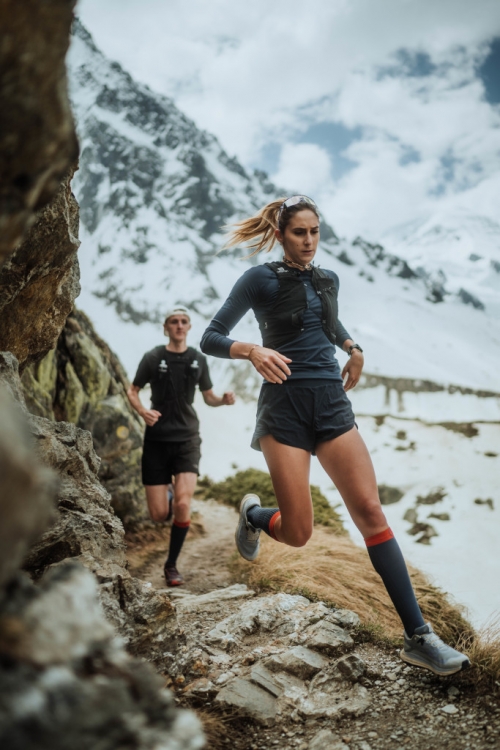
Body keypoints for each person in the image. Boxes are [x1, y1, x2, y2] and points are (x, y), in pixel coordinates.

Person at [200, 195, 470, 676]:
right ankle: (255, 514)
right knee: (299, 533)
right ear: (281, 234)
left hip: (330, 403)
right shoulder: (258, 279)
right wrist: (252, 351)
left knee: (369, 510)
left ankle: (419, 637)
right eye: (299, 232)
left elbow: (328, 321)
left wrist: (353, 347)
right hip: (283, 411)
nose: (308, 241)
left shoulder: (328, 279)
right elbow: (211, 336)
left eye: (315, 232)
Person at [127, 306, 235, 586]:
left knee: (184, 506)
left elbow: (208, 396)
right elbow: (133, 389)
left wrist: (222, 400)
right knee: (159, 514)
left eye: (183, 321)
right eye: (173, 321)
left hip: (187, 438)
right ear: (166, 328)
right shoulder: (153, 357)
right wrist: (142, 412)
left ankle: (171, 565)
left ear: (188, 327)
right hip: (156, 441)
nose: (178, 325)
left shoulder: (198, 360)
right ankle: (171, 495)